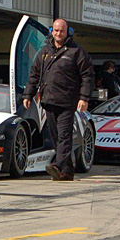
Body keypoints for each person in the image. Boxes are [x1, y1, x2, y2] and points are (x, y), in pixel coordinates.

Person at [22, 18, 93, 182]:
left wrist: (84, 98)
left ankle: (57, 164)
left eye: (61, 30)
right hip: (48, 101)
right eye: (55, 30)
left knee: (64, 136)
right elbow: (34, 74)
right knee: (55, 137)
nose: (58, 33)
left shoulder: (76, 51)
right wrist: (28, 95)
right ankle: (67, 172)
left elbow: (87, 76)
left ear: (68, 31)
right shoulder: (45, 52)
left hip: (68, 102)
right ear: (51, 31)